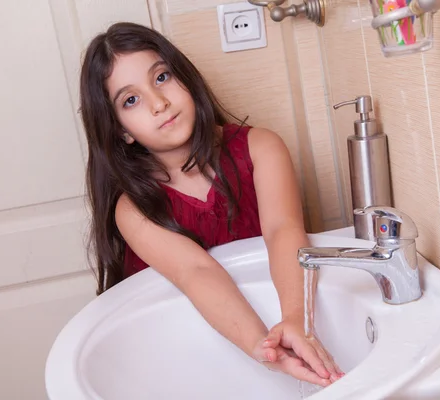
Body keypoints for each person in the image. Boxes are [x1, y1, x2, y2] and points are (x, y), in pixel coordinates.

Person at [79, 22, 343, 387]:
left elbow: (284, 230)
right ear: (121, 130)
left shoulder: (261, 148)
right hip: (181, 361)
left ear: (185, 77)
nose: (159, 103)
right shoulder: (134, 209)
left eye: (162, 77)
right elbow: (196, 272)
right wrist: (265, 349)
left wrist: (296, 320)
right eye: (131, 100)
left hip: (264, 324)